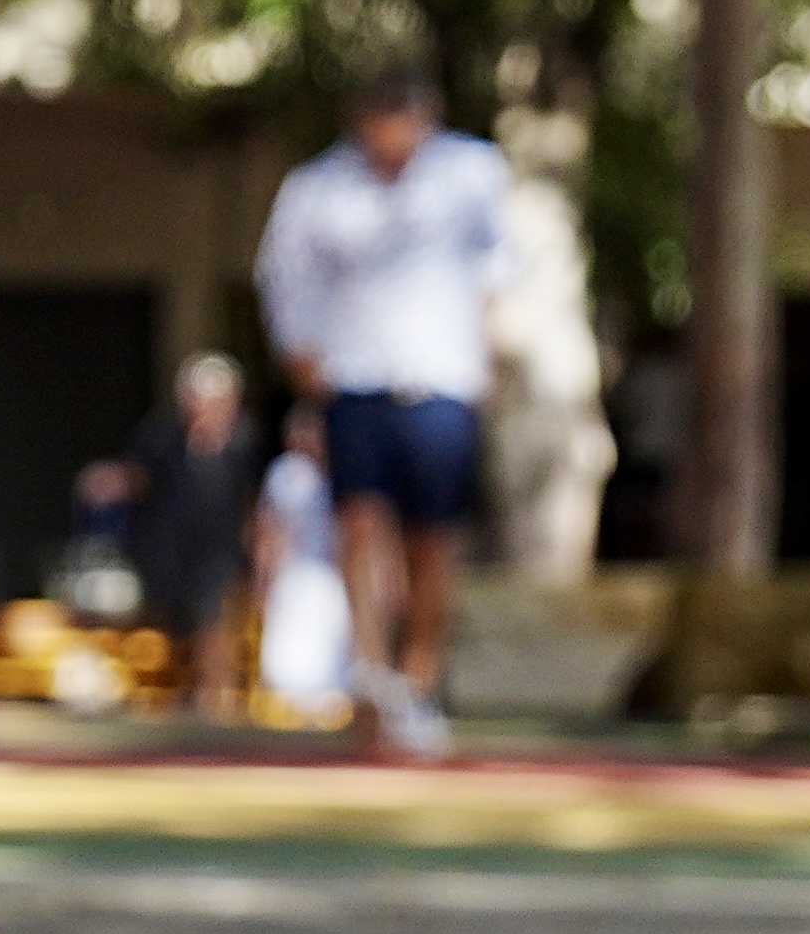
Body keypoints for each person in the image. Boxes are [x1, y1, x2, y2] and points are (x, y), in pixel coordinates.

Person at [253, 65, 514, 757]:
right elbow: (284, 274)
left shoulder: (472, 174)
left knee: (435, 537)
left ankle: (417, 681)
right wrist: (303, 356)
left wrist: (488, 359)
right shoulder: (318, 187)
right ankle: (371, 677)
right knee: (360, 524)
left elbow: (496, 273)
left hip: (441, 382)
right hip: (355, 381)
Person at [118, 352, 268, 714]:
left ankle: (214, 698)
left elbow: (255, 500)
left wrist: (260, 549)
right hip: (172, 547)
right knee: (174, 622)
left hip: (222, 548)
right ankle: (179, 696)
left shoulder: (244, 440)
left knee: (214, 620)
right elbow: (137, 478)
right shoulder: (163, 435)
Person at [252, 405, 359, 718]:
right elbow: (271, 531)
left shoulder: (346, 471)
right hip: (296, 575)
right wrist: (265, 576)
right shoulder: (287, 475)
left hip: (334, 574)